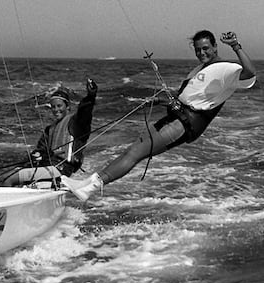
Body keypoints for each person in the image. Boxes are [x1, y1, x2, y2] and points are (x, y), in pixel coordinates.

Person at [61, 30, 256, 201]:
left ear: (215, 47)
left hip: (183, 124)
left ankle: (90, 188)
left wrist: (235, 46)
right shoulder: (199, 69)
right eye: (198, 49)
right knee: (133, 149)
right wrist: (166, 100)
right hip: (176, 117)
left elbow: (249, 73)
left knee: (135, 153)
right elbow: (193, 96)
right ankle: (86, 184)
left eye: (206, 48)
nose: (201, 53)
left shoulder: (226, 68)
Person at [0, 79, 98, 187]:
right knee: (3, 176)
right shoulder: (50, 129)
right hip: (47, 166)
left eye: (59, 106)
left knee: (9, 179)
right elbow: (42, 149)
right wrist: (36, 154)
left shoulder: (76, 124)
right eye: (53, 107)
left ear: (68, 106)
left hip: (61, 169)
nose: (56, 110)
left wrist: (90, 97)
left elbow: (85, 113)